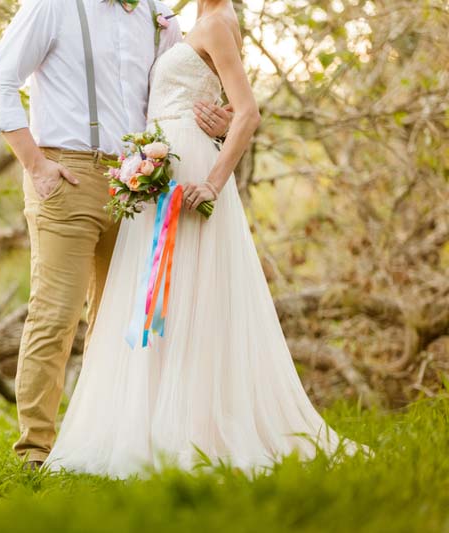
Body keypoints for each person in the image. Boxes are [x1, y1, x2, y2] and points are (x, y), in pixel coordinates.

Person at [44, 0, 363, 478]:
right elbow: (228, 104)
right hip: (167, 162)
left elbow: (248, 113)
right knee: (169, 298)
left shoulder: (215, 23)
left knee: (182, 295)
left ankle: (181, 431)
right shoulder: (199, 21)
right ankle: (158, 422)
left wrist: (212, 180)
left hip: (189, 173)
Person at [0, 0, 233, 470]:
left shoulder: (159, 18)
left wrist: (220, 120)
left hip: (139, 179)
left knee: (120, 318)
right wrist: (36, 164)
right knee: (56, 314)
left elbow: (177, 90)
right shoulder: (52, 7)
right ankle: (35, 450)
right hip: (65, 173)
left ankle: (98, 444)